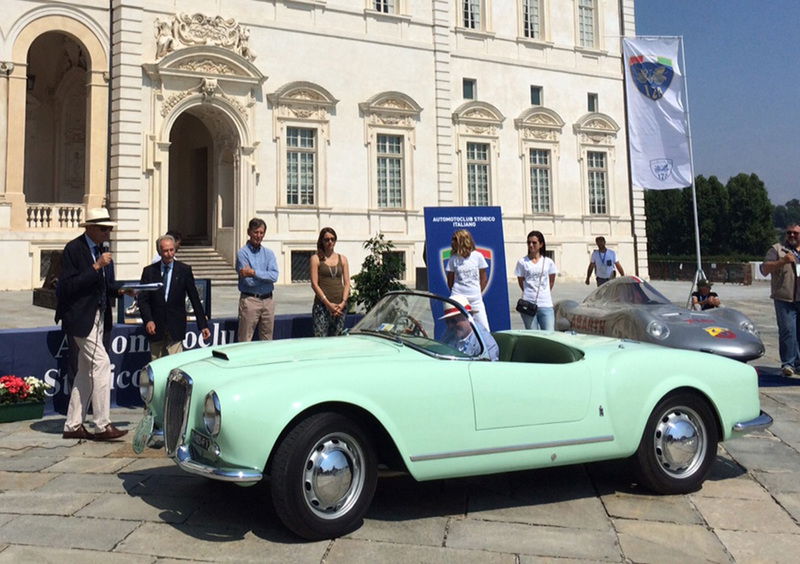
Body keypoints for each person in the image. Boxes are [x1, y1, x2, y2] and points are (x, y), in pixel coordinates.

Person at [54, 208, 128, 441]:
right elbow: (67, 287)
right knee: (102, 364)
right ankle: (102, 424)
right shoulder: (74, 249)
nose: (108, 233)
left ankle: (73, 425)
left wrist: (124, 291)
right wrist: (96, 267)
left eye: (110, 229)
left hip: (99, 316)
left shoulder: (104, 251)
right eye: (104, 228)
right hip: (80, 318)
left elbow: (106, 287)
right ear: (91, 228)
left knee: (85, 372)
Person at [138, 234, 211, 359]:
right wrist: (148, 320)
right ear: (159, 252)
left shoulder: (184, 270)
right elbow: (143, 299)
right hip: (156, 325)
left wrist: (202, 325)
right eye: (165, 251)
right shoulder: (149, 271)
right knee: (156, 362)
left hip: (175, 325)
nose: (169, 254)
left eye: (171, 250)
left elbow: (194, 298)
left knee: (175, 362)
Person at [760, 224, 800, 377]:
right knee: (788, 331)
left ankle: (799, 363)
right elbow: (764, 269)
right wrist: (782, 261)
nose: (791, 236)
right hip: (784, 297)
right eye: (789, 233)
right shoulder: (777, 249)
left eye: (795, 233)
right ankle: (788, 364)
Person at [236, 218, 279, 342]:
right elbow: (248, 282)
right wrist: (265, 276)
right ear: (249, 232)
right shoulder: (242, 253)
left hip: (268, 300)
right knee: (245, 339)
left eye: (261, 233)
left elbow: (274, 276)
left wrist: (254, 272)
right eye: (256, 232)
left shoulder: (269, 253)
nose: (258, 235)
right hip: (250, 300)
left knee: (267, 340)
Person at [446, 229, 490, 331]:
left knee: (485, 329)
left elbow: (483, 278)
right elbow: (450, 281)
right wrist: (457, 295)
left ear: (463, 240)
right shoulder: (453, 259)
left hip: (476, 300)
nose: (452, 242)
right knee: (458, 329)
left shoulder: (478, 256)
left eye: (455, 239)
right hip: (458, 299)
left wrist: (477, 292)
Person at [310, 227, 350, 337]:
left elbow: (347, 283)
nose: (330, 242)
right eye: (326, 240)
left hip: (339, 307)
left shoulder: (343, 259)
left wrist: (343, 303)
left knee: (337, 339)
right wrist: (328, 304)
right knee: (321, 339)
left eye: (332, 239)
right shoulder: (316, 259)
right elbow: (314, 284)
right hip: (322, 307)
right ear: (321, 241)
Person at [514, 230, 558, 330]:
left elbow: (551, 281)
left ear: (541, 244)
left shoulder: (548, 262)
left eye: (534, 242)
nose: (531, 245)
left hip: (545, 304)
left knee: (549, 334)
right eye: (529, 242)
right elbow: (521, 281)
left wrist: (544, 292)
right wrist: (528, 292)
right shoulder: (522, 262)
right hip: (528, 304)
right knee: (532, 335)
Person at [439, 295, 499, 361]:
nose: (450, 326)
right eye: (447, 322)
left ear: (469, 317)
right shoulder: (449, 334)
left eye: (454, 321)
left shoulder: (485, 344)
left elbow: (488, 368)